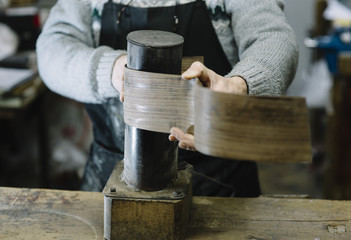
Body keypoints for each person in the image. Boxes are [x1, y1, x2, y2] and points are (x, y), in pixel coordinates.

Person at [36, 0, 298, 196]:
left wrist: (241, 86)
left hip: (221, 178)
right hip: (111, 177)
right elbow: (52, 48)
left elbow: (273, 37)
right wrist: (111, 70)